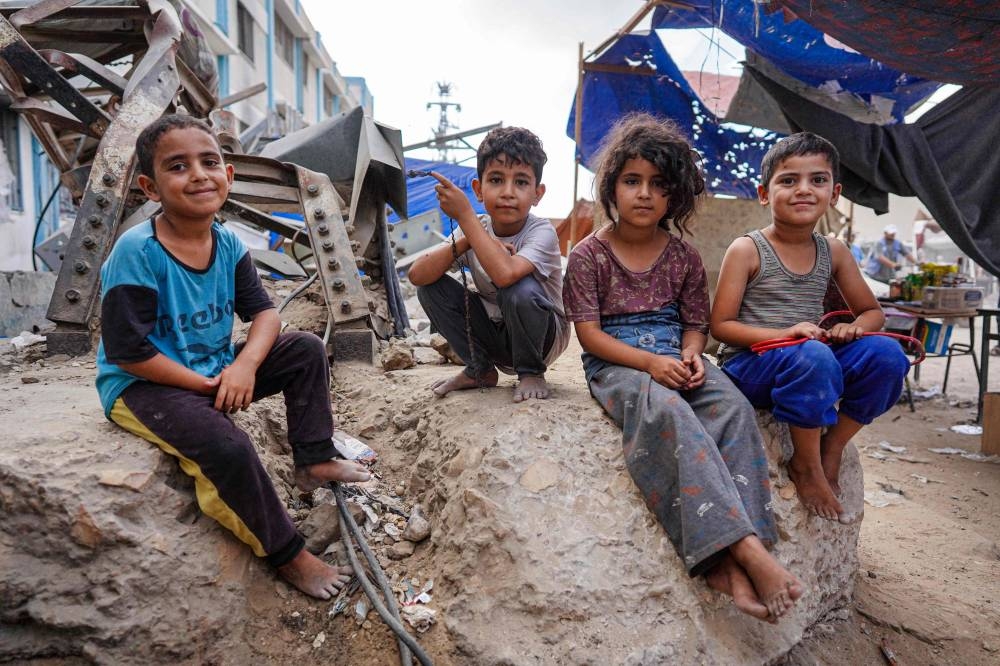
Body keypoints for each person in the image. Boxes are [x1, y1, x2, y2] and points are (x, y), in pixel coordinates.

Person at [95, 114, 371, 600]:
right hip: (144, 385)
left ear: (229, 175)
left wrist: (242, 366)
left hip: (213, 371)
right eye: (177, 167)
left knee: (305, 349)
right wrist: (205, 387)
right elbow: (129, 352)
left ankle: (311, 459)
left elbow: (265, 315)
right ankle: (288, 555)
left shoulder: (226, 244)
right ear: (150, 187)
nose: (199, 175)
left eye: (210, 162)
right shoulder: (137, 252)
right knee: (227, 448)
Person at [563, 113, 802, 622]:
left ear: (676, 195)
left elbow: (697, 324)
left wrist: (692, 354)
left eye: (658, 184)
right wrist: (651, 363)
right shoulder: (588, 256)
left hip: (676, 353)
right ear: (611, 187)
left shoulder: (684, 257)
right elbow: (590, 336)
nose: (644, 194)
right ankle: (744, 554)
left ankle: (740, 553)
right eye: (632, 181)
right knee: (668, 411)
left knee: (732, 407)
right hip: (618, 362)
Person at [712, 132, 910, 523]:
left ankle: (832, 445)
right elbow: (721, 326)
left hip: (809, 355)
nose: (803, 190)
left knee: (888, 356)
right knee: (813, 356)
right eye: (788, 180)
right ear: (764, 193)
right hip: (752, 365)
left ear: (834, 193)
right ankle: (805, 464)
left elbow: (872, 313)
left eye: (817, 180)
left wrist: (853, 329)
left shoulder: (833, 250)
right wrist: (786, 334)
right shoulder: (747, 249)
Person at [409, 126, 568, 402]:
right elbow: (417, 275)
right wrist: (471, 238)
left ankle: (531, 372)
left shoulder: (541, 232)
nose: (508, 192)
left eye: (520, 182)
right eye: (496, 180)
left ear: (537, 193)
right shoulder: (477, 227)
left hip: (542, 338)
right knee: (430, 287)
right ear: (478, 189)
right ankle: (479, 369)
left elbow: (506, 275)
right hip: (497, 334)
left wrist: (465, 216)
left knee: (517, 287)